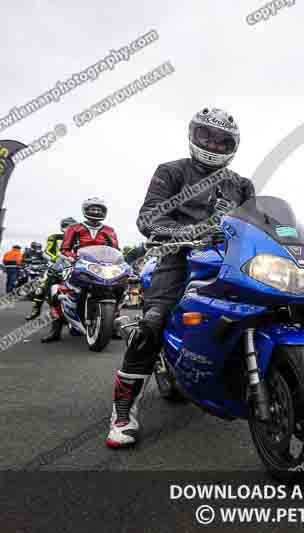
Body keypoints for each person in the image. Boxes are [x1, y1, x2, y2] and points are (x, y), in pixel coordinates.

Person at [105, 107, 255, 448]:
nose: (214, 145)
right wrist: (192, 232)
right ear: (193, 136)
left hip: (232, 262)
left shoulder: (242, 185)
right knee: (151, 325)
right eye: (207, 137)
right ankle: (123, 413)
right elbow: (150, 216)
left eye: (222, 140)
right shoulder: (171, 172)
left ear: (233, 145)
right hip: (179, 258)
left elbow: (257, 221)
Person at [40, 199, 120, 342]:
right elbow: (65, 249)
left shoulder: (109, 230)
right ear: (85, 210)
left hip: (101, 264)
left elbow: (115, 249)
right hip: (76, 261)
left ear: (104, 212)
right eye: (92, 209)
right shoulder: (74, 228)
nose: (96, 212)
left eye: (99, 209)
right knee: (55, 285)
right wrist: (71, 258)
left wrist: (117, 261)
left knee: (119, 285)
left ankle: (111, 326)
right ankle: (55, 329)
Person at [27, 218, 78, 320]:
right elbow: (46, 252)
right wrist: (55, 258)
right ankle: (35, 311)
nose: (69, 228)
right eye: (67, 225)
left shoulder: (79, 239)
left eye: (72, 226)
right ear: (62, 227)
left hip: (73, 267)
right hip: (55, 267)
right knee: (40, 290)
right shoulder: (54, 237)